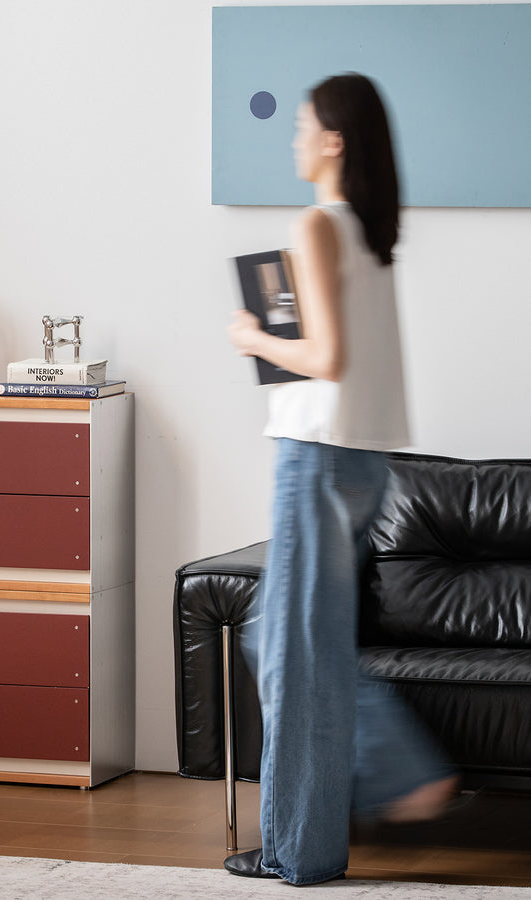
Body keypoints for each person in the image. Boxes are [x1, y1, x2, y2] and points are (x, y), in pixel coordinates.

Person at [225, 73, 459, 886]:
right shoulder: (368, 231)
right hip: (365, 459)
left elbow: (325, 358)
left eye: (303, 126)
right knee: (285, 640)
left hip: (315, 455)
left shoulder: (318, 224)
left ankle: (309, 842)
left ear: (335, 139)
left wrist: (253, 332)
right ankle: (334, 819)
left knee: (294, 653)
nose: (293, 139)